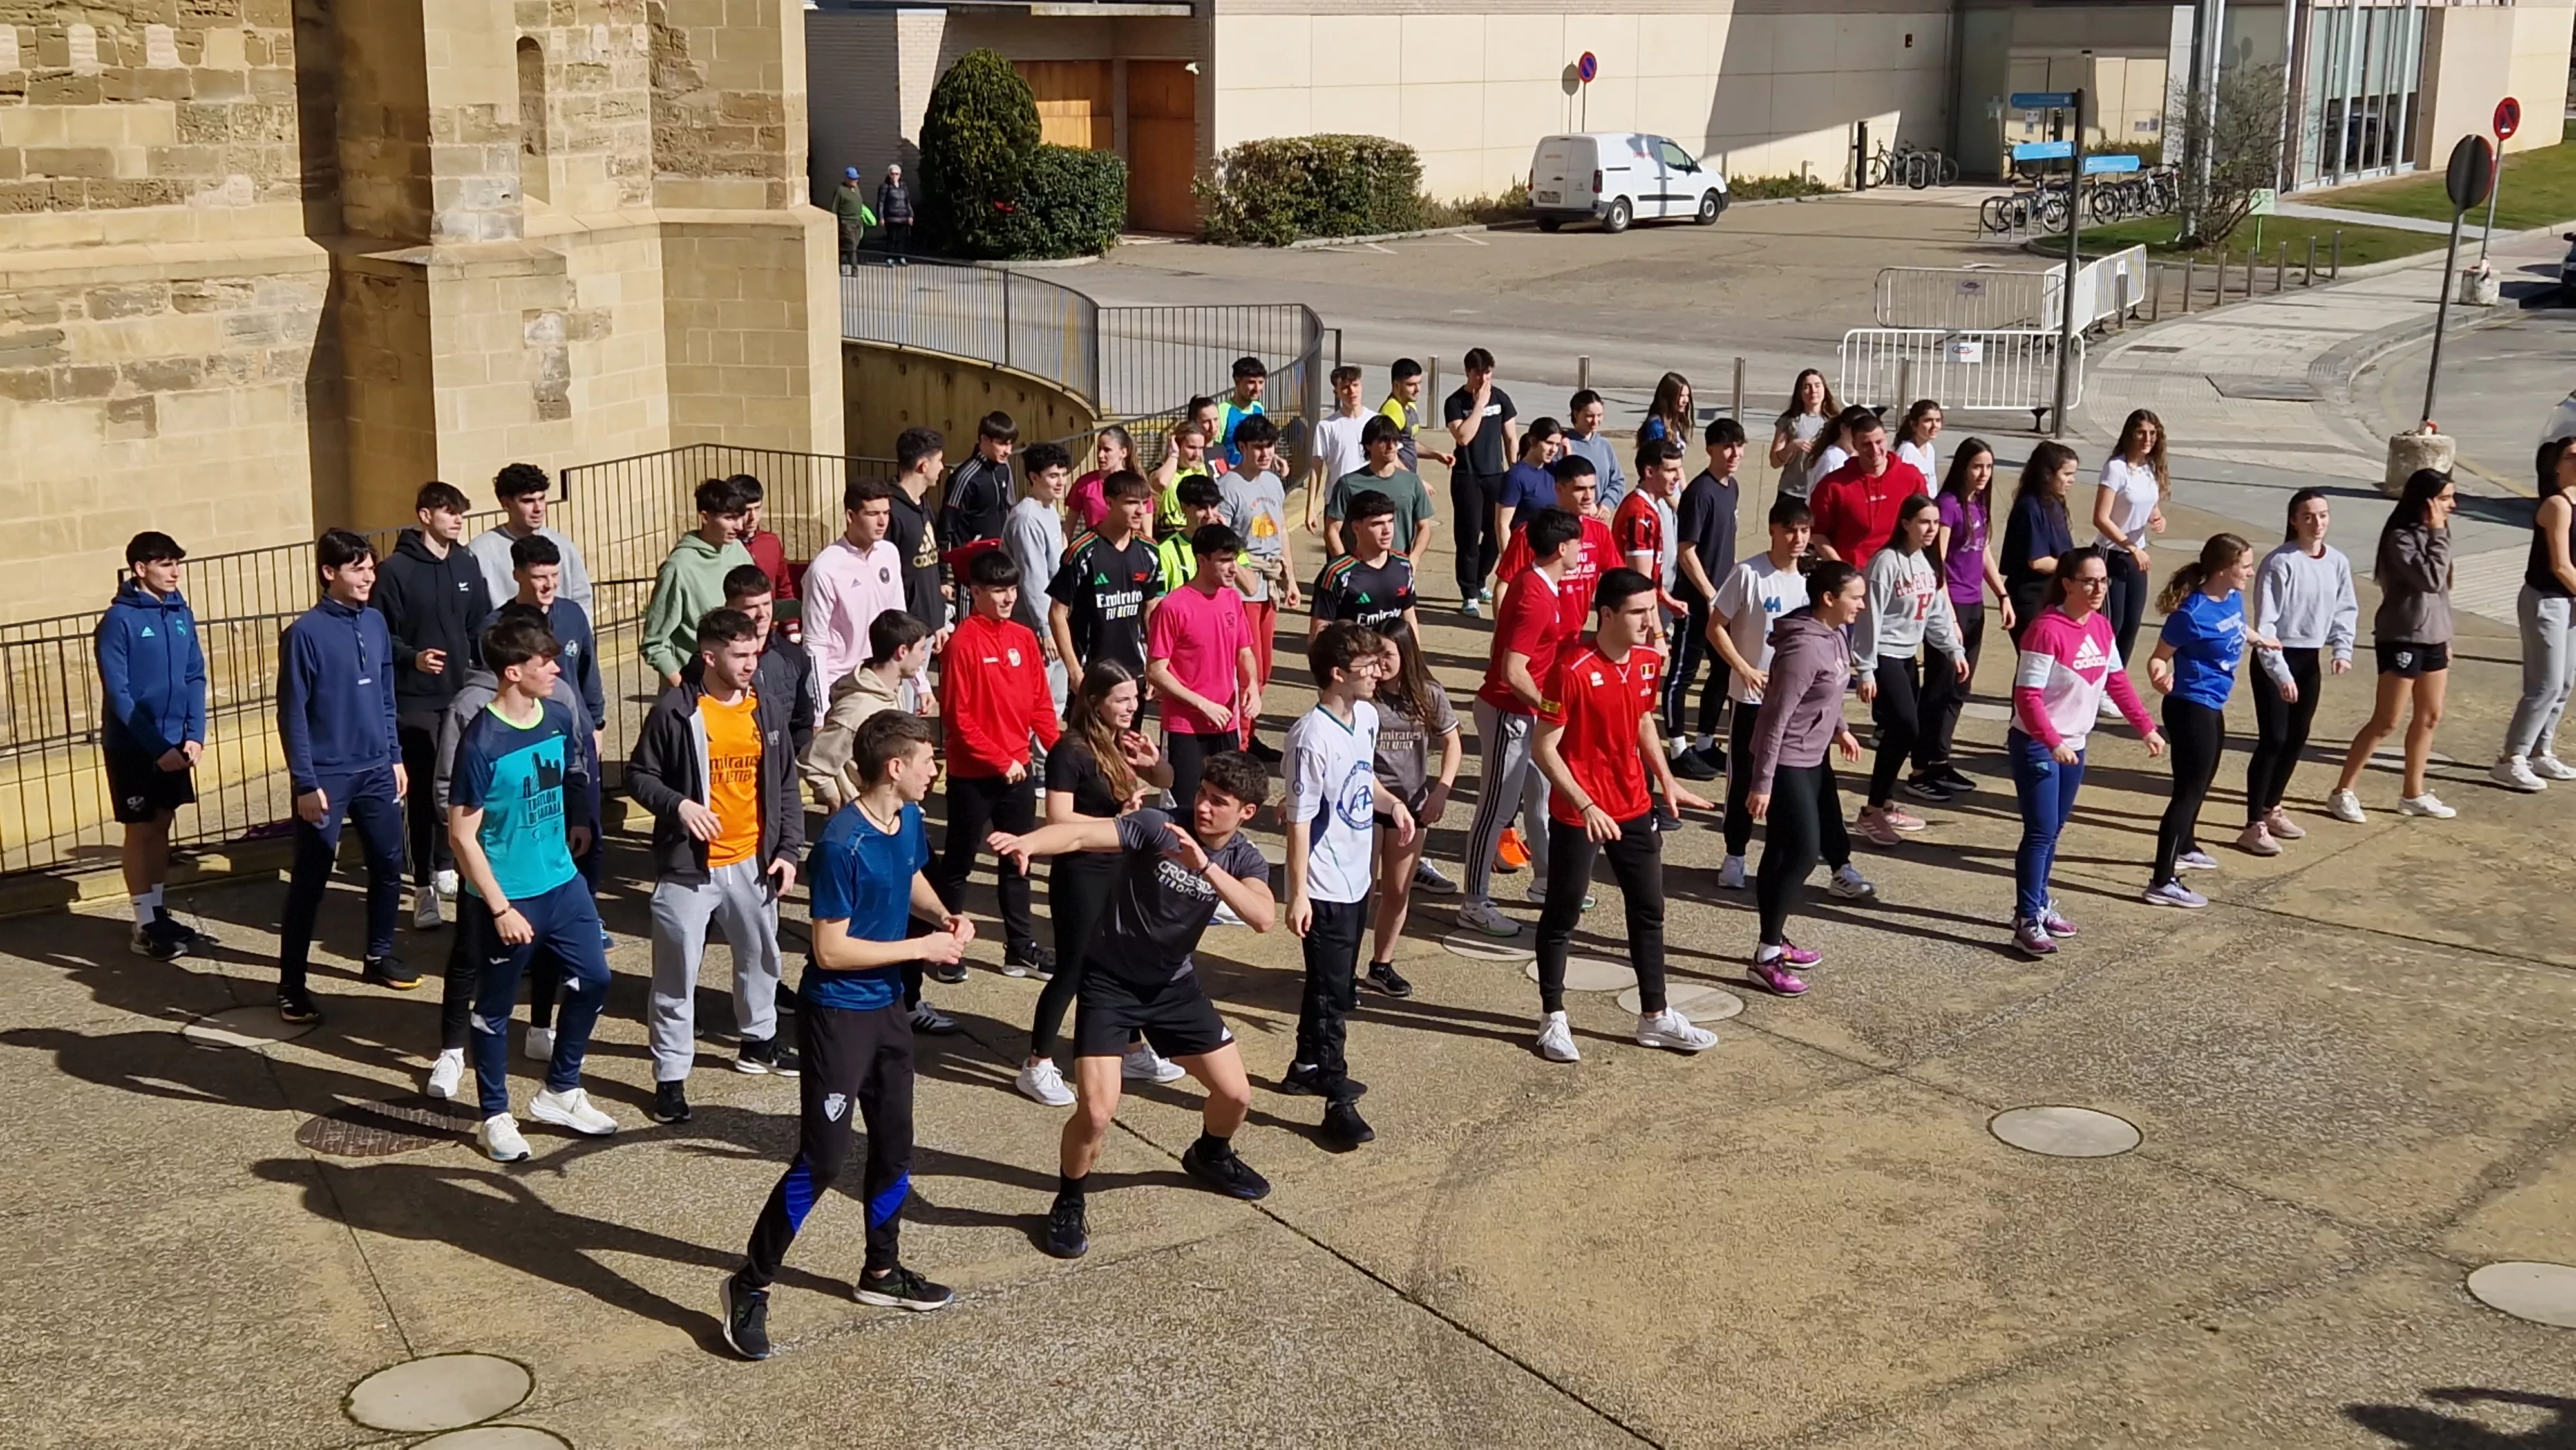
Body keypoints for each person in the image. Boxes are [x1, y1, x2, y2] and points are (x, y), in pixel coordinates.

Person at [719, 711, 964, 1361]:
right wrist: (921, 944)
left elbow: (910, 873)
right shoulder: (840, 845)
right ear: (896, 767)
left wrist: (944, 915)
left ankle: (881, 1272)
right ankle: (751, 1282)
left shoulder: (905, 819)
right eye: (927, 759)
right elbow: (829, 949)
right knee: (822, 1159)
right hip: (838, 1015)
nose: (934, 769)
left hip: (887, 1009)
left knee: (895, 1145)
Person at [986, 751, 1280, 1262]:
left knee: (1236, 1097)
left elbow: (1262, 917)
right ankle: (1069, 1199)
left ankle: (1210, 1154)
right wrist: (1028, 842)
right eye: (1204, 794)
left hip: (1174, 988)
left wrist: (1204, 865)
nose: (1204, 808)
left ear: (1247, 813)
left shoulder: (1245, 859)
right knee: (1097, 1113)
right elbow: (1079, 835)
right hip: (1111, 985)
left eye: (1219, 803)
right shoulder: (1159, 825)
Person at [444, 609, 618, 1160]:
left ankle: (561, 1090)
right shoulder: (482, 742)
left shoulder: (556, 717)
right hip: (509, 897)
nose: (556, 667)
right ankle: (493, 1115)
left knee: (595, 980)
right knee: (494, 1011)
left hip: (562, 883)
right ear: (513, 672)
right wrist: (499, 908)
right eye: (543, 661)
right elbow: (462, 836)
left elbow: (567, 778)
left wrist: (576, 823)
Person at [1529, 567, 1719, 1060]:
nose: (1648, 621)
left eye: (1651, 610)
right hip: (1581, 812)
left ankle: (1654, 1017)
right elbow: (1544, 748)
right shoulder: (1569, 668)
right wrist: (1584, 803)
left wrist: (1668, 779)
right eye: (1638, 612)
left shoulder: (1646, 662)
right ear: (1607, 614)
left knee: (1649, 910)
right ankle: (1554, 1018)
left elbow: (1641, 720)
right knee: (1563, 913)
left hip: (1633, 804)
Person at [629, 608, 806, 1121]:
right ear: (710, 656)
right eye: (741, 654)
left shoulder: (766, 710)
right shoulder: (675, 712)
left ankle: (759, 1044)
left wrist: (788, 851)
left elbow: (786, 788)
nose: (752, 663)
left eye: (755, 652)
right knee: (677, 973)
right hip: (689, 869)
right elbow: (641, 774)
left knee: (762, 959)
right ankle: (670, 1077)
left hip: (754, 862)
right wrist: (678, 805)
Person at [1012, 660, 1181, 1107]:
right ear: (1094, 702)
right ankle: (1037, 1064)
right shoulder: (1071, 750)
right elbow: (1058, 819)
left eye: (1135, 696)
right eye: (1122, 699)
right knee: (1073, 969)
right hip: (1082, 872)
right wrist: (1116, 820)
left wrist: (1153, 763)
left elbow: (1166, 780)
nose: (1133, 705)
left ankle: (1130, 1050)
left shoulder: (1119, 741)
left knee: (1122, 963)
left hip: (1121, 870)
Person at [1705, 498, 1877, 904]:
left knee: (1820, 787)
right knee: (1745, 779)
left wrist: (1841, 725)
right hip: (1752, 697)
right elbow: (1715, 628)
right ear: (1773, 529)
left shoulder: (1811, 583)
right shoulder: (1749, 574)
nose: (1798, 538)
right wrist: (1745, 669)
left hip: (1804, 708)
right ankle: (1735, 853)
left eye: (1804, 530)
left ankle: (1839, 864)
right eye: (1790, 529)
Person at [1282, 621, 1412, 1146]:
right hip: (1325, 882)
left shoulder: (1364, 717)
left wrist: (1394, 803)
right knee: (1337, 993)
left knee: (1326, 982)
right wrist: (1297, 893)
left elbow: (1364, 780)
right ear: (1338, 675)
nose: (1377, 675)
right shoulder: (1310, 737)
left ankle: (1305, 1066)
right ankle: (1337, 1098)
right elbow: (1296, 819)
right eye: (1366, 668)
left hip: (1358, 878)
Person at [277, 531, 413, 1021]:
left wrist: (395, 756)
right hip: (328, 777)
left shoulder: (375, 622)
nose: (368, 578)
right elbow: (293, 714)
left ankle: (378, 956)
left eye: (371, 569)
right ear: (329, 573)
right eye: (357, 569)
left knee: (387, 862)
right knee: (311, 877)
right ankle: (291, 983)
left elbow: (385, 695)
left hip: (377, 767)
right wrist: (305, 782)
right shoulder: (304, 634)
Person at [2007, 547, 2164, 956]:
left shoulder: (2101, 627)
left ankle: (2039, 903)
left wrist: (2146, 727)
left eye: (2103, 581)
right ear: (2067, 585)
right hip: (2039, 745)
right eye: (2089, 581)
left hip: (2074, 744)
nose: (2098, 589)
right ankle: (2026, 919)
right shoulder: (2045, 629)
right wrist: (2052, 741)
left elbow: (2117, 682)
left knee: (2054, 830)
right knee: (2040, 832)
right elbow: (2027, 696)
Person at [1743, 561, 1871, 995]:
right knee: (1802, 854)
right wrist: (1761, 782)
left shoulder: (1835, 635)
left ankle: (1773, 940)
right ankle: (1766, 956)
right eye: (1855, 596)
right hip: (1786, 762)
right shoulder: (1802, 650)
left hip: (1814, 758)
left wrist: (1842, 730)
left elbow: (1830, 693)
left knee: (1782, 852)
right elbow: (1777, 718)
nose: (1861, 604)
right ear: (1829, 599)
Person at [936, 549, 1063, 978]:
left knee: (1018, 861)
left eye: (1011, 589)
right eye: (997, 591)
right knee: (959, 863)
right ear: (975, 593)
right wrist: (999, 758)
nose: (1008, 598)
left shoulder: (1024, 638)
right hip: (973, 776)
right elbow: (958, 718)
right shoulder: (962, 645)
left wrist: (1061, 754)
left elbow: (1039, 705)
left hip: (1018, 773)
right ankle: (946, 949)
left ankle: (1020, 948)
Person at [1457, 508, 1584, 939]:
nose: (1581, 552)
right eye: (1577, 545)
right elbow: (1513, 671)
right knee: (1495, 809)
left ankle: (1546, 881)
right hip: (1509, 713)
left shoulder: (1546, 586)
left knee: (1542, 799)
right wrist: (1550, 707)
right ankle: (1474, 902)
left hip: (1526, 715)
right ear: (1562, 548)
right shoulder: (1534, 595)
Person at [374, 482, 493, 932]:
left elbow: (482, 622)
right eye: (448, 511)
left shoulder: (466, 562)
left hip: (461, 697)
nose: (457, 518)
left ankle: (449, 868)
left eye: (460, 511)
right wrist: (414, 658)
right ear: (425, 515)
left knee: (462, 788)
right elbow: (383, 631)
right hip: (416, 700)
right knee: (423, 793)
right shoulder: (397, 570)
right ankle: (422, 886)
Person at [96, 530, 212, 960]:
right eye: (164, 563)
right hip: (134, 747)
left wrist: (194, 733)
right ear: (140, 569)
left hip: (176, 742)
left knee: (163, 822)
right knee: (140, 827)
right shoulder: (119, 621)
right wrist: (154, 747)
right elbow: (120, 694)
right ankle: (143, 921)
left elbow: (195, 675)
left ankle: (158, 910)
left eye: (176, 562)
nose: (174, 571)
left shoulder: (182, 613)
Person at [2141, 534, 2271, 908]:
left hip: (2212, 705)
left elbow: (2235, 626)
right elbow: (2159, 656)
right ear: (2221, 570)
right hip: (2188, 706)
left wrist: (2259, 638)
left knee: (2202, 782)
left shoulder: (2231, 598)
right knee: (2187, 792)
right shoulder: (2191, 614)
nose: (2249, 571)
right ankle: (2162, 881)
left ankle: (2186, 845)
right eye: (2244, 566)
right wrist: (2159, 676)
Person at [2328, 468, 2459, 822]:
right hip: (2402, 637)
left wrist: (2446, 636)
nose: (2453, 505)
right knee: (2387, 721)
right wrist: (2437, 533)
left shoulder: (2437, 535)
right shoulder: (2402, 539)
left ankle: (2413, 793)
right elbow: (2431, 580)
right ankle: (2343, 791)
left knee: (2431, 716)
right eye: (2446, 498)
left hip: (2434, 637)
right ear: (2427, 501)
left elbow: (2444, 593)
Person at [2242, 489, 2358, 853]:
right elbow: (2267, 624)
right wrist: (2281, 673)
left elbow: (2345, 608)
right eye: (2308, 516)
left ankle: (2272, 806)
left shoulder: (2337, 561)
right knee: (2274, 738)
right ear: (2294, 520)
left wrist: (2342, 648)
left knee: (2297, 736)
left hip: (2309, 659)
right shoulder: (2281, 563)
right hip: (2277, 658)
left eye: (2323, 515)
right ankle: (2253, 823)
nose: (2317, 523)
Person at [1853, 496, 1967, 845]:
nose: (1931, 529)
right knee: (1905, 726)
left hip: (1907, 657)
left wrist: (1953, 649)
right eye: (1923, 522)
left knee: (1903, 731)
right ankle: (1872, 811)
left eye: (1935, 523)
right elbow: (1868, 617)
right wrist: (1866, 669)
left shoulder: (1925, 564)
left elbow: (1934, 615)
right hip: (1884, 654)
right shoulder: (1885, 563)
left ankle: (1884, 803)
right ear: (1905, 523)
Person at [1365, 629, 1463, 975]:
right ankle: (1342, 968)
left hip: (1414, 806)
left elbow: (1453, 743)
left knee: (1397, 891)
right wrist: (1388, 800)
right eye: (1374, 655)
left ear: (1406, 655)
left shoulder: (1428, 694)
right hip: (1370, 804)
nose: (1380, 663)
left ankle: (1382, 964)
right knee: (1362, 890)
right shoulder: (1365, 696)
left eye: (1387, 655)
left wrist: (1442, 790)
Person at [1917, 439, 2011, 797]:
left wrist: (2002, 595)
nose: (1984, 474)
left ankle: (1940, 760)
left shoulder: (1978, 505)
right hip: (1949, 604)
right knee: (1940, 686)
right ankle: (1921, 768)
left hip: (1974, 605)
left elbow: (1984, 552)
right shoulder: (1949, 505)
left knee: (1960, 688)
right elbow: (1935, 560)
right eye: (1977, 466)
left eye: (1988, 467)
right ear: (1962, 467)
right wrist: (1946, 616)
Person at [1148, 524, 1259, 811]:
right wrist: (1203, 705)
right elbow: (1156, 671)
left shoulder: (1233, 599)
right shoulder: (1173, 606)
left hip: (1227, 723)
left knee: (1227, 802)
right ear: (1202, 560)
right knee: (1184, 806)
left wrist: (1253, 687)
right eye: (1224, 560)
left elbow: (1245, 651)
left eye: (1234, 558)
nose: (1233, 568)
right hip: (1185, 728)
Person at [1218, 413, 1299, 760]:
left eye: (1270, 446)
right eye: (1258, 447)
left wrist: (1290, 578)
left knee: (1264, 668)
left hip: (1270, 584)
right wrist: (1240, 574)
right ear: (1242, 448)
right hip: (1243, 585)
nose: (1266, 453)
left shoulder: (1274, 483)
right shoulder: (1228, 486)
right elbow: (1221, 539)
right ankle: (1239, 741)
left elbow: (1281, 531)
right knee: (1245, 667)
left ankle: (1250, 734)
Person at [2497, 437, 2576, 791]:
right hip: (2548, 601)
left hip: (2571, 602)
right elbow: (2561, 565)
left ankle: (2540, 750)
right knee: (2544, 684)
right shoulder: (2557, 506)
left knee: (2564, 683)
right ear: (2557, 465)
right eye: (2572, 456)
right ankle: (2511, 757)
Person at [1667, 418, 1744, 779]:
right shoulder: (1699, 492)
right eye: (1727, 446)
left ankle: (1705, 741)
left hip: (1722, 599)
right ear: (1711, 449)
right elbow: (1687, 551)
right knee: (1682, 674)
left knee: (1723, 669)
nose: (1734, 454)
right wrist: (1710, 593)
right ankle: (1678, 747)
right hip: (1695, 601)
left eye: (1739, 446)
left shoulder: (1732, 489)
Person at [803, 609, 933, 812]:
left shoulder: (892, 689)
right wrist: (842, 805)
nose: (925, 657)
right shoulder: (858, 709)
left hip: (893, 813)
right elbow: (813, 765)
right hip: (867, 821)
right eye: (922, 649)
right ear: (902, 651)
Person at [1050, 470, 1164, 693]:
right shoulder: (1082, 551)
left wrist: (1155, 666)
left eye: (1144, 503)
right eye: (1131, 503)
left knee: (1131, 730)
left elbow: (1152, 610)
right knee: (1090, 730)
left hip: (1134, 671)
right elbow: (1056, 612)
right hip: (1092, 672)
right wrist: (1074, 672)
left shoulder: (1149, 551)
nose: (1140, 510)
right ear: (1109, 502)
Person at [801, 477, 907, 714]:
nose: (882, 522)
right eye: (873, 514)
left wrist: (920, 684)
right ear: (851, 516)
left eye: (886, 513)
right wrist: (820, 712)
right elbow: (814, 643)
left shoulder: (890, 553)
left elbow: (900, 619)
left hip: (887, 681)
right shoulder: (825, 569)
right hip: (846, 687)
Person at [643, 476, 753, 688]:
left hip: (736, 682)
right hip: (695, 687)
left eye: (740, 517)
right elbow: (654, 643)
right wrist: (685, 688)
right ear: (705, 517)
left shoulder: (738, 551)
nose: (739, 526)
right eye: (730, 518)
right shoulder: (679, 568)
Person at [1443, 347, 1519, 615]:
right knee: (1468, 534)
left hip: (1495, 476)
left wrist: (1515, 470)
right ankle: (1468, 592)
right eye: (1478, 373)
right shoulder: (1455, 402)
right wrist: (1478, 407)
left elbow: (1511, 437)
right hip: (1468, 477)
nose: (1484, 379)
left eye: (1488, 372)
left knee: (1495, 532)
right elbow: (1463, 437)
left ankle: (1480, 579)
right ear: (1468, 373)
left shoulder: (1501, 399)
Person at [2094, 408, 2171, 673]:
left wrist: (2157, 517)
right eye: (2141, 432)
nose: (2147, 439)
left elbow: (2148, 504)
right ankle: (2098, 679)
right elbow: (2101, 518)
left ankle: (2115, 682)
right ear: (2130, 434)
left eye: (2152, 433)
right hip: (2112, 554)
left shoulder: (2149, 469)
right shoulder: (2116, 469)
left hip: (2137, 555)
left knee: (2132, 624)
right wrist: (2130, 547)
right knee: (2111, 623)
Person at [469, 462, 594, 612]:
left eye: (542, 499)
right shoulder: (479, 552)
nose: (539, 508)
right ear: (506, 504)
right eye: (528, 501)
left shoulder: (563, 545)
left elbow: (582, 598)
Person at [1810, 411, 1927, 569]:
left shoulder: (1912, 477)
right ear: (1855, 445)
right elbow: (1818, 533)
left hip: (1901, 571)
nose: (1875, 450)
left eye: (1879, 442)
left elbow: (1926, 522)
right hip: (1855, 575)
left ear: (1887, 438)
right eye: (1866, 444)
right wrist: (1840, 569)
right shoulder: (1832, 486)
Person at [1007, 441, 1074, 710]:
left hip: (1054, 616)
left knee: (1054, 701)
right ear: (1034, 477)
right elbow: (1033, 578)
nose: (1061, 482)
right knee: (1035, 700)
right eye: (1053, 476)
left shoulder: (1049, 511)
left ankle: (1046, 753)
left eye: (1063, 474)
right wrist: (1046, 630)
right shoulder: (1026, 518)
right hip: (1033, 623)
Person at [1309, 490, 1421, 644]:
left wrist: (1415, 662)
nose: (1387, 530)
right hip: (1355, 663)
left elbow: (1409, 618)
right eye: (1377, 524)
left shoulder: (1403, 564)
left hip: (1392, 663)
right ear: (1356, 528)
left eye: (1390, 521)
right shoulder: (1337, 573)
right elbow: (1319, 631)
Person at [1324, 412, 1437, 561]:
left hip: (1399, 568)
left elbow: (1424, 528)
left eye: (1395, 441)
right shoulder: (1349, 484)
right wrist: (1345, 568)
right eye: (1383, 441)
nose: (1391, 446)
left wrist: (1414, 559)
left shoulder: (1412, 482)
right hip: (1360, 570)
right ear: (1368, 445)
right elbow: (1332, 530)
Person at [2001, 441, 2079, 643]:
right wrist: (2075, 568)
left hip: (2051, 594)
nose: (2072, 480)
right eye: (2067, 474)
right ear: (2047, 474)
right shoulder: (2030, 507)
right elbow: (2037, 561)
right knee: (2036, 660)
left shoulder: (2054, 503)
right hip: (2031, 598)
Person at [889, 428, 950, 659]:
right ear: (923, 466)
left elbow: (930, 567)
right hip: (904, 633)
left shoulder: (923, 504)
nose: (942, 468)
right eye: (939, 461)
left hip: (928, 627)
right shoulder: (891, 510)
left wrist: (938, 620)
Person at [938, 411, 1018, 567]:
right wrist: (946, 575)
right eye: (1002, 444)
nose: (1008, 451)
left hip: (1000, 556)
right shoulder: (965, 478)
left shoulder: (1004, 469)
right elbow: (947, 525)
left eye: (1010, 444)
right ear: (984, 440)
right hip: (973, 564)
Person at [1307, 366, 1372, 531]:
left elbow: (1391, 459)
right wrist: (1311, 508)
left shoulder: (1376, 421)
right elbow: (1316, 469)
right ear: (1336, 392)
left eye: (1355, 385)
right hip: (1338, 505)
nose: (1352, 391)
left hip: (1370, 503)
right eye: (1345, 387)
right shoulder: (1326, 426)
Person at [1492, 417, 1566, 548]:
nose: (1554, 450)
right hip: (1525, 551)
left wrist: (1568, 456)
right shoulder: (1515, 476)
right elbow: (1503, 525)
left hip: (1552, 552)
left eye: (1557, 445)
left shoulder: (1556, 471)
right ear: (1533, 441)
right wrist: (1508, 561)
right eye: (1549, 443)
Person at [1770, 369, 1842, 501]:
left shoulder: (1836, 422)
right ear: (1800, 393)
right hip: (1792, 493)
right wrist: (1791, 447)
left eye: (1817, 385)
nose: (1813, 391)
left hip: (1823, 492)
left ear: (1825, 389)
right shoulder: (1788, 421)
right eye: (1807, 387)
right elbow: (1774, 462)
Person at [1155, 475, 1229, 594]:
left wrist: (1226, 545)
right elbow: (1157, 602)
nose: (1210, 515)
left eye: (1214, 507)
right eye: (1202, 509)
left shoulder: (1226, 544)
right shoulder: (1166, 551)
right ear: (1184, 508)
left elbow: (1251, 588)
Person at [729, 474, 798, 601]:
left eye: (757, 508)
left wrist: (791, 621)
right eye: (746, 511)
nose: (753, 518)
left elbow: (784, 587)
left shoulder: (772, 542)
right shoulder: (724, 545)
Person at [1562, 388, 1629, 511]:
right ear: (1576, 414)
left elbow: (1618, 481)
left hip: (1598, 518)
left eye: (1599, 416)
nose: (1595, 421)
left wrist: (1607, 504)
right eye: (1590, 416)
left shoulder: (1605, 446)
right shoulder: (1564, 444)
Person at [1151, 415, 1217, 536]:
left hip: (1198, 533)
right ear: (1177, 444)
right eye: (1191, 447)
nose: (1197, 454)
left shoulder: (1203, 470)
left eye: (1200, 448)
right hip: (1169, 534)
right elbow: (1161, 483)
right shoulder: (1162, 469)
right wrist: (1174, 455)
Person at [1067, 425, 1133, 532]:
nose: (1100, 455)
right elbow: (1068, 528)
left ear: (1123, 452)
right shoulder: (1084, 484)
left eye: (1107, 450)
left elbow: (1147, 534)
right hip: (1095, 546)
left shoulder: (1136, 485)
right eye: (1099, 449)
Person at [1215, 356, 1268, 469]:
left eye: (1261, 382)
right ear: (1237, 381)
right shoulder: (1223, 411)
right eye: (1251, 382)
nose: (1257, 388)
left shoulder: (1259, 409)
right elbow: (1212, 449)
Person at [1636, 372, 1693, 457]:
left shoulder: (1674, 421)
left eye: (1687, 395)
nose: (1686, 400)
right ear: (1669, 397)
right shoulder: (1656, 426)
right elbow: (1656, 460)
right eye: (1681, 396)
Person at [832, 166, 873, 270]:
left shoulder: (856, 188)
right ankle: (855, 268)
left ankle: (840, 265)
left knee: (850, 246)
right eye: (852, 179)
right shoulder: (841, 190)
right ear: (847, 178)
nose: (855, 181)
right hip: (846, 222)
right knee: (852, 245)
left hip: (858, 221)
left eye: (856, 178)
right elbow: (834, 208)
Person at [1893, 399, 1944, 480]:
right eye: (1928, 421)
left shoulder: (1930, 449)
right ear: (1913, 424)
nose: (1934, 426)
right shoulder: (1907, 451)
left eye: (1938, 420)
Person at [876, 163, 914, 263]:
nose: (894, 176)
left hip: (903, 217)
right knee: (891, 238)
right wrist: (881, 217)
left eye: (897, 174)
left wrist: (910, 215)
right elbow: (881, 202)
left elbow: (907, 202)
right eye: (892, 174)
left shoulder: (904, 186)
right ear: (889, 174)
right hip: (891, 217)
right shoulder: (885, 187)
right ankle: (890, 257)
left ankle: (901, 257)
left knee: (902, 239)